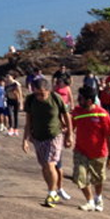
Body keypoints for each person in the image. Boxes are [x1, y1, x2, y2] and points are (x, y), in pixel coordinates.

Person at [22, 77, 73, 207]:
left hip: (54, 135)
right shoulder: (30, 100)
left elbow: (67, 116)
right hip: (38, 137)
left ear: (48, 91)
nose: (39, 96)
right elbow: (28, 122)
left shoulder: (56, 98)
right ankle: (53, 190)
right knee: (44, 166)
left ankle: (51, 193)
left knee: (50, 164)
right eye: (36, 93)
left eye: (42, 93)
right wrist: (25, 140)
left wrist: (69, 135)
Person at [71, 86, 110, 211]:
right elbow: (70, 127)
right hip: (81, 151)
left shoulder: (102, 114)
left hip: (99, 153)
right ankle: (89, 201)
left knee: (98, 179)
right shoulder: (77, 112)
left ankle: (98, 198)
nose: (78, 100)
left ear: (89, 101)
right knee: (80, 176)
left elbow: (109, 136)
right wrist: (68, 136)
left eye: (80, 98)